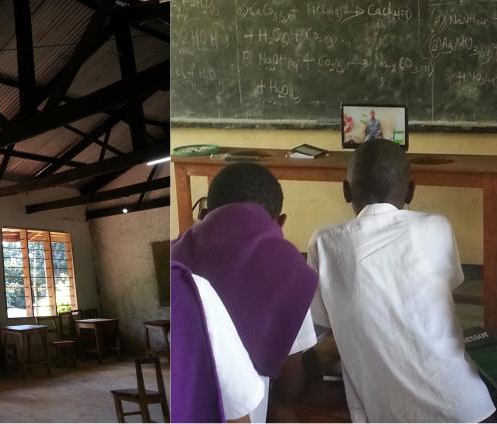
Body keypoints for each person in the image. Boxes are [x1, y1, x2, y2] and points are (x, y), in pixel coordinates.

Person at [307, 139, 495, 422]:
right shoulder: (438, 226)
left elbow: (319, 325)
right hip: (469, 409)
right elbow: (446, 285)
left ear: (346, 190)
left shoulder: (324, 242)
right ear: (411, 190)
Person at [171, 163, 318, 422]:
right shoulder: (288, 268)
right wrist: (283, 404)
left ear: (203, 214)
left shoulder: (175, 259)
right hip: (247, 413)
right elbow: (290, 381)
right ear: (280, 222)